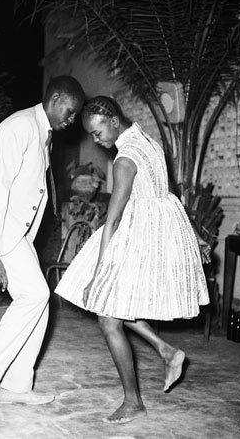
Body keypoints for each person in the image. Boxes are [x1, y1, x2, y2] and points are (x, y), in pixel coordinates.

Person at [55, 96, 210, 424]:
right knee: (117, 308)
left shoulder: (125, 159)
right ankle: (166, 351)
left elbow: (112, 220)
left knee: (108, 318)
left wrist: (97, 274)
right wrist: (194, 237)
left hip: (137, 238)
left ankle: (133, 401)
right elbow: (170, 195)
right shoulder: (149, 140)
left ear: (113, 121)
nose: (98, 141)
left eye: (98, 133)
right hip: (159, 233)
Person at [0, 75, 85, 419]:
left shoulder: (40, 132)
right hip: (0, 231)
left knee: (40, 301)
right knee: (36, 297)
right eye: (70, 113)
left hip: (15, 233)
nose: (71, 121)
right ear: (55, 99)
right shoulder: (20, 127)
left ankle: (15, 387)